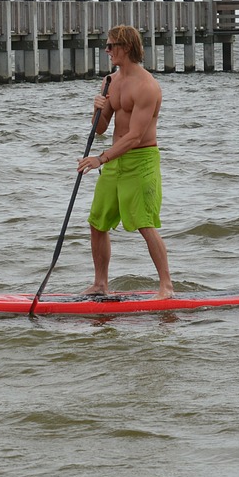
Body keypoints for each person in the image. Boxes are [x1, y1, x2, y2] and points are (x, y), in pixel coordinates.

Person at [76, 24, 174, 297]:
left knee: (145, 223)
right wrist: (96, 110)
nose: (106, 51)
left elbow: (134, 136)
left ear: (126, 47)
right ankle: (100, 284)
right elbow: (101, 128)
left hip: (140, 160)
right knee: (97, 223)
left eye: (110, 46)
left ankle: (166, 286)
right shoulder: (110, 81)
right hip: (114, 161)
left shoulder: (147, 86)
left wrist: (100, 158)